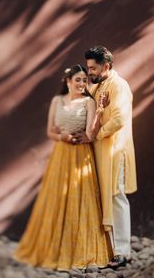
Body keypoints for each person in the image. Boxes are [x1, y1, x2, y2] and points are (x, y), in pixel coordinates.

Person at [14, 64, 112, 271]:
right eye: (77, 80)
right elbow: (50, 131)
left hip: (80, 155)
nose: (81, 84)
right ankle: (53, 249)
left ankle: (80, 250)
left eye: (84, 80)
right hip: (60, 155)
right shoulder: (57, 101)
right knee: (56, 199)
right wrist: (62, 137)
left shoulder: (88, 102)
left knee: (81, 199)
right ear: (67, 82)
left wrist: (99, 113)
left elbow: (90, 134)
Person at [75, 46, 137, 270]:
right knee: (108, 198)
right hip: (103, 152)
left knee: (117, 197)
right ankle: (113, 250)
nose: (90, 72)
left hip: (115, 150)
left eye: (93, 68)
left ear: (106, 66)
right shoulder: (101, 86)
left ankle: (123, 252)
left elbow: (119, 118)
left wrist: (98, 135)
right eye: (89, 67)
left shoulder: (118, 85)